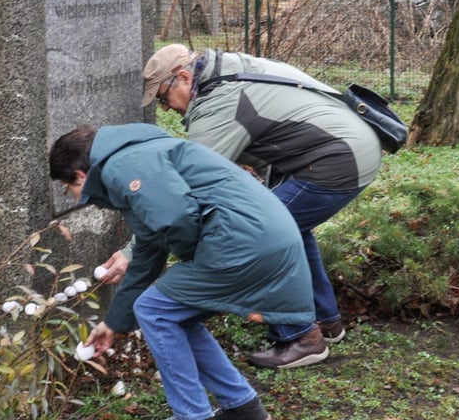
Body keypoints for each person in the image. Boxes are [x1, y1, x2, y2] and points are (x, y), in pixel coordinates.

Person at [131, 44, 384, 370]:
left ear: (182, 77)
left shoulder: (217, 103)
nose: (165, 109)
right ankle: (325, 319)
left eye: (163, 98)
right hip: (352, 145)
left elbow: (183, 188)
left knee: (259, 235)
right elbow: (267, 125)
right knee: (290, 226)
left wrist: (132, 251)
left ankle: (303, 338)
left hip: (337, 160)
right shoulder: (229, 68)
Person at [50, 124, 315, 420]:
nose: (75, 197)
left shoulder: (122, 166)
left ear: (80, 175)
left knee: (155, 311)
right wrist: (114, 322)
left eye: (68, 189)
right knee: (177, 315)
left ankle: (192, 416)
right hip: (260, 237)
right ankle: (243, 410)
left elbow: (174, 219)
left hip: (242, 242)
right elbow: (150, 247)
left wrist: (192, 256)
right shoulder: (135, 155)